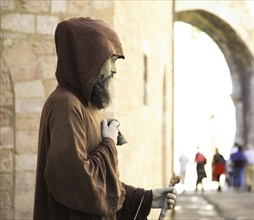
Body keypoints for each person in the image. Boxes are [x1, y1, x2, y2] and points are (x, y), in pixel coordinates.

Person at [33, 17, 177, 220]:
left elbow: (101, 186)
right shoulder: (64, 104)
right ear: (90, 59)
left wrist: (147, 198)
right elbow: (77, 182)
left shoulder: (85, 106)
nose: (115, 69)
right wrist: (108, 142)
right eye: (111, 60)